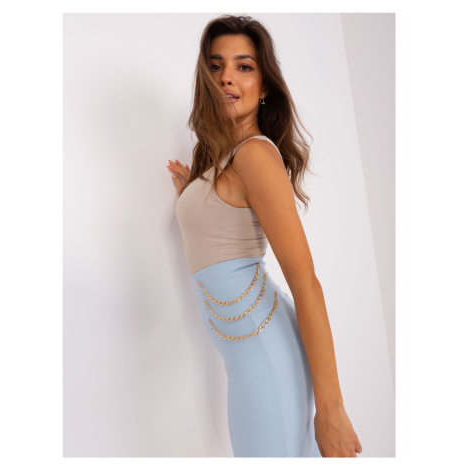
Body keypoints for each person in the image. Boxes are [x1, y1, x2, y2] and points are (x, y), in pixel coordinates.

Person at [167, 14, 363, 458]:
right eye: (215, 66)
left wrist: (332, 408)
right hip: (249, 357)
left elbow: (306, 282)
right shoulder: (226, 160)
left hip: (266, 356)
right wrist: (193, 195)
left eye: (244, 66)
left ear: (265, 86)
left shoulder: (255, 155)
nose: (226, 77)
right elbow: (223, 226)